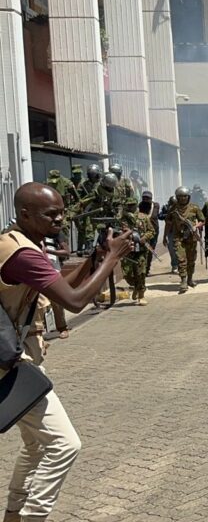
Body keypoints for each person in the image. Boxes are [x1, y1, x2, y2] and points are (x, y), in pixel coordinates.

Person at [0, 182, 133, 522]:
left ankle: (14, 514)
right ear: (25, 214)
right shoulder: (23, 255)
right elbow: (74, 301)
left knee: (34, 447)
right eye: (51, 214)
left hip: (14, 361)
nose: (60, 219)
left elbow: (64, 284)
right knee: (64, 445)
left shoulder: (19, 242)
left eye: (62, 212)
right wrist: (113, 259)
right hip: (12, 366)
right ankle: (32, 517)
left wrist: (96, 259)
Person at [165, 187, 205, 293]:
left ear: (188, 197)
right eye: (180, 197)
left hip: (191, 237)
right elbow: (168, 223)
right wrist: (165, 236)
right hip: (178, 237)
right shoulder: (173, 209)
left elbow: (202, 220)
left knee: (191, 260)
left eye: (185, 196)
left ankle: (190, 279)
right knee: (181, 259)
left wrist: (196, 226)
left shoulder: (194, 208)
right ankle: (183, 280)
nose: (183, 199)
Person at [119, 197, 155, 305]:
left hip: (141, 250)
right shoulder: (122, 219)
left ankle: (141, 295)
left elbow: (151, 231)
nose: (130, 207)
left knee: (141, 273)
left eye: (132, 205)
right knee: (127, 273)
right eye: (128, 205)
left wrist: (144, 238)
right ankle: (135, 286)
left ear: (136, 205)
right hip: (127, 250)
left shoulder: (143, 218)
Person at [138, 191, 160, 276]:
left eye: (147, 198)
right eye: (144, 198)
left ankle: (147, 269)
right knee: (144, 250)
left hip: (154, 231)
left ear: (151, 198)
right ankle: (143, 269)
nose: (145, 200)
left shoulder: (156, 205)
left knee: (151, 249)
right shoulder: (140, 206)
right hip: (144, 231)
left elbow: (155, 216)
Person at [158, 196, 180, 276]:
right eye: (172, 204)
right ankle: (174, 265)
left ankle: (181, 265)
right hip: (170, 231)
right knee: (172, 249)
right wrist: (168, 215)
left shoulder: (181, 208)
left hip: (179, 231)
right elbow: (160, 216)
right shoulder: (166, 208)